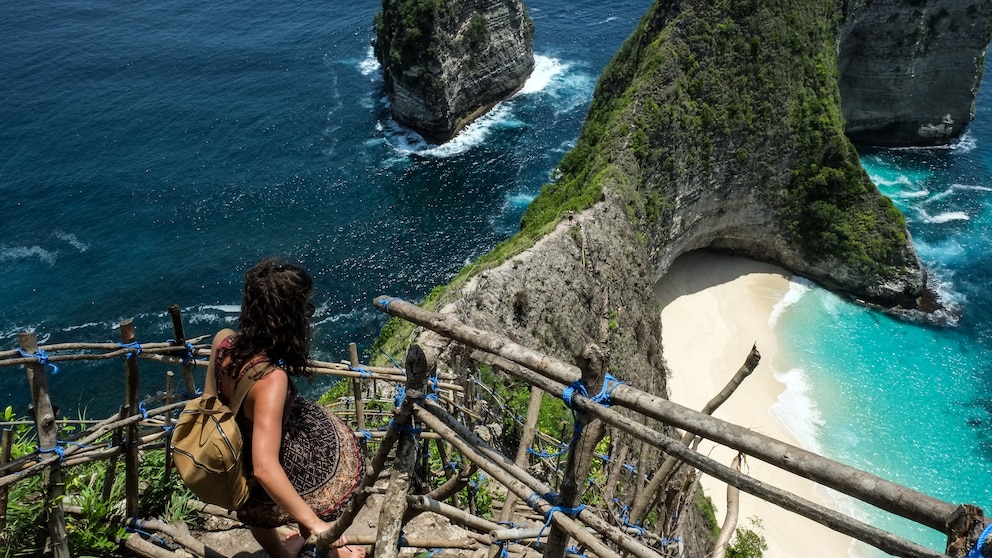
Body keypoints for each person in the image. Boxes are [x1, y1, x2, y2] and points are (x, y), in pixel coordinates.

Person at [211, 257, 365, 558]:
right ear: (288, 318)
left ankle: (281, 554)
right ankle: (333, 552)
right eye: (304, 309)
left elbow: (213, 403)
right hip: (260, 464)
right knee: (326, 456)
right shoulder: (271, 379)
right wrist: (316, 524)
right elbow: (265, 468)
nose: (308, 316)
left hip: (233, 450)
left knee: (257, 502)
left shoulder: (223, 343)